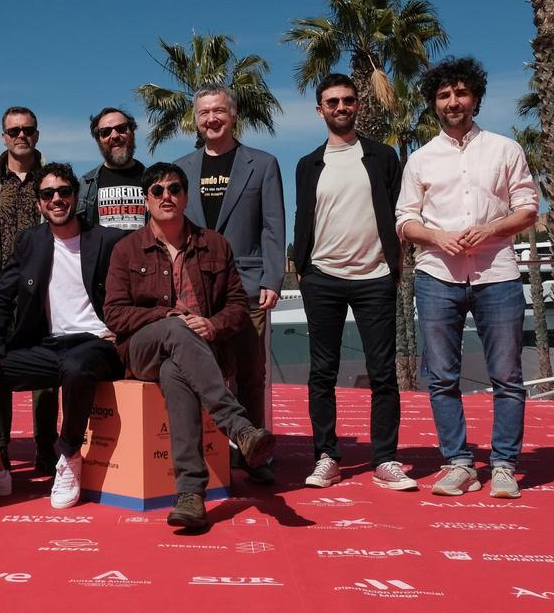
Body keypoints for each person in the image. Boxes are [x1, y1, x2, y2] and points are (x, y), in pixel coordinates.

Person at [396, 56, 538, 499]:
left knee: (507, 376)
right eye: (444, 95)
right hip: (437, 275)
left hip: (498, 273)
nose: (453, 101)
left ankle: (503, 465)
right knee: (441, 377)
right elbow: (405, 220)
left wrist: (492, 227)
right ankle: (458, 463)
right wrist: (437, 236)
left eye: (460, 93)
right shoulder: (420, 160)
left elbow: (529, 207)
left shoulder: (504, 149)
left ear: (475, 97)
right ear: (434, 104)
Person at [104, 162, 275, 528]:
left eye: (175, 189)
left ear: (185, 196)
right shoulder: (126, 250)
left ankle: (191, 495)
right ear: (146, 200)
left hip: (201, 351)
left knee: (176, 371)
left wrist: (213, 326)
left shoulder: (215, 244)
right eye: (158, 191)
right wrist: (167, 317)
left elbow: (237, 307)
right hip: (143, 349)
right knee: (176, 332)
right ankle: (240, 428)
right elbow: (115, 314)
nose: (167, 196)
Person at [0, 163, 125, 508]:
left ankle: (68, 456)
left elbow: (138, 288)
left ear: (76, 198)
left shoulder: (108, 240)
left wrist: (125, 328)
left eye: (64, 192)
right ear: (40, 204)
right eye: (48, 194)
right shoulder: (30, 241)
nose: (57, 199)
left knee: (75, 367)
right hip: (45, 346)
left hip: (96, 344)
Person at [293, 74, 411, 491]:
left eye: (347, 100)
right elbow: (303, 217)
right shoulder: (307, 164)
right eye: (332, 102)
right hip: (321, 278)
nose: (340, 107)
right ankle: (326, 455)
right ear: (320, 109)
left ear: (358, 105)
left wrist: (396, 265)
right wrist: (303, 268)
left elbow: (400, 213)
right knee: (322, 373)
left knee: (383, 374)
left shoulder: (383, 156)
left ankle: (385, 459)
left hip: (375, 278)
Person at [175, 84, 284, 483]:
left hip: (250, 285)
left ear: (233, 114)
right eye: (203, 113)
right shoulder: (182, 168)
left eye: (218, 111)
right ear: (196, 119)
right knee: (206, 374)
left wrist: (272, 277)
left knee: (251, 374)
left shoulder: (263, 163)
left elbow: (274, 226)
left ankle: (257, 457)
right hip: (198, 289)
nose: (211, 119)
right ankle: (213, 452)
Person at [0, 106, 58, 476]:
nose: (21, 136)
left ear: (37, 134)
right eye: (13, 130)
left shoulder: (52, 178)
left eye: (28, 130)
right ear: (3, 136)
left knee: (48, 376)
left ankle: (47, 447)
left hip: (44, 292)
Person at [77, 107, 147, 231]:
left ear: (133, 132)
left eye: (121, 129)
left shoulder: (153, 180)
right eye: (105, 132)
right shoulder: (84, 185)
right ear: (98, 140)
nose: (114, 136)